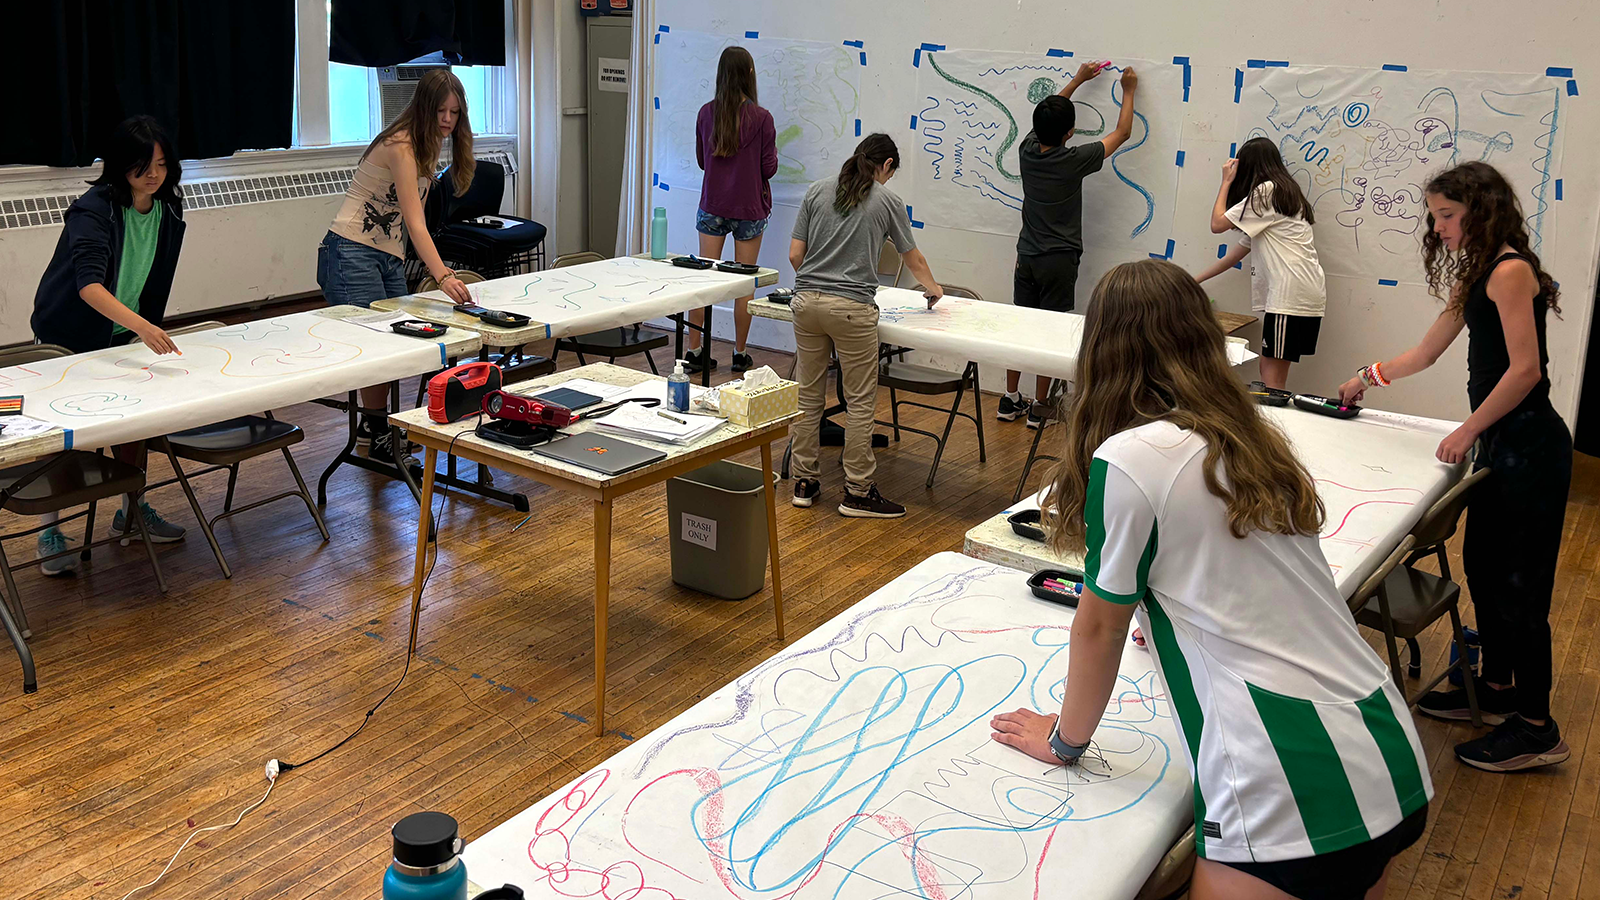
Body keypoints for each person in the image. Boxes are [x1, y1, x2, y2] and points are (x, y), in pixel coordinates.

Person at [992, 259, 1432, 900]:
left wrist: (1064, 741)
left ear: (1102, 353)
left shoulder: (1131, 456)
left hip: (1291, 782)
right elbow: (1235, 572)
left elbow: (1098, 622)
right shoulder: (1252, 435)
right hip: (1388, 753)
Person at [1339, 161, 1571, 773]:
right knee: (1485, 569)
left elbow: (1527, 371)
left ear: (1481, 209)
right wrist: (1366, 378)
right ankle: (1495, 690)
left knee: (1520, 589)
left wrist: (1467, 428)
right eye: (1435, 216)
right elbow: (1425, 351)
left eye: (1447, 215)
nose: (1438, 227)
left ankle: (1537, 727)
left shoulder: (1511, 271)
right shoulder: (1478, 274)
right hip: (1501, 448)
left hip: (1531, 451)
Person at [31, 115, 191, 575]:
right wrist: (144, 327)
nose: (154, 174)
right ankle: (49, 528)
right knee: (61, 431)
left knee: (133, 421)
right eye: (142, 165)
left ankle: (131, 510)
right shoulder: (94, 208)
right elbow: (88, 286)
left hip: (124, 329)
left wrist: (139, 325)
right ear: (119, 165)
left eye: (161, 163)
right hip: (69, 333)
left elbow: (148, 274)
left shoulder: (169, 208)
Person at [318, 68, 475, 459]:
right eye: (441, 111)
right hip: (349, 251)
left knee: (396, 345)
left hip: (385, 255)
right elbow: (416, 222)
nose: (447, 121)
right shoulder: (401, 145)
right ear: (423, 107)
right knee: (378, 347)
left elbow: (413, 219)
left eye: (454, 113)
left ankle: (375, 429)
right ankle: (374, 429)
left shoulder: (425, 146)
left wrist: (414, 264)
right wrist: (442, 274)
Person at [788, 134, 943, 519]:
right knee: (859, 403)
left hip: (806, 303)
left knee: (809, 397)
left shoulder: (817, 190)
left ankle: (804, 483)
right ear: (887, 165)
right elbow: (913, 257)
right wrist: (934, 288)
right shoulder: (887, 200)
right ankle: (857, 492)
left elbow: (796, 254)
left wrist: (819, 284)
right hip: (852, 309)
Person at [998, 62, 1139, 428]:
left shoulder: (1027, 151)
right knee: (1049, 330)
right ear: (1071, 133)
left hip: (1026, 256)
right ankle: (1039, 407)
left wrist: (1076, 79)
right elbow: (1122, 133)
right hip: (1058, 260)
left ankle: (1010, 398)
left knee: (1021, 326)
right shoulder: (1073, 159)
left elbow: (1047, 116)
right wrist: (1129, 89)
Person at [1196, 137, 1327, 390]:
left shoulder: (1267, 191)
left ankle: (1273, 427)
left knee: (1271, 377)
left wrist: (1225, 181)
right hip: (1306, 294)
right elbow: (1233, 257)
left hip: (1289, 296)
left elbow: (1217, 224)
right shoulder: (1284, 196)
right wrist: (1193, 281)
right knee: (1275, 372)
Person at [683, 46, 777, 375]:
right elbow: (769, 168)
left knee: (703, 280)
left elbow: (700, 161)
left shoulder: (706, 113)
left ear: (720, 74)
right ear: (749, 74)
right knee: (743, 285)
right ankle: (739, 353)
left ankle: (694, 351)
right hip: (749, 208)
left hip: (712, 205)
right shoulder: (762, 118)